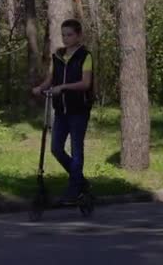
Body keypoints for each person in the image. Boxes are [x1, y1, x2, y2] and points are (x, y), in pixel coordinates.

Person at [32, 19, 94, 204]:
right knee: (56, 149)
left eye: (70, 35)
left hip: (78, 110)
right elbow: (51, 79)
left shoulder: (85, 56)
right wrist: (39, 88)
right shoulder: (57, 56)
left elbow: (85, 83)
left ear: (78, 35)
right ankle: (81, 180)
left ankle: (74, 190)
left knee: (76, 150)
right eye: (64, 35)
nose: (66, 39)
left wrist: (64, 88)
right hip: (61, 110)